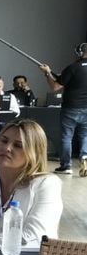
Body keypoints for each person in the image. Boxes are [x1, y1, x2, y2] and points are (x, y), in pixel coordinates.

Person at [39, 44, 87, 174]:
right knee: (85, 136)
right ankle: (84, 157)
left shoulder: (73, 68)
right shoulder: (73, 69)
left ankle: (66, 166)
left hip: (71, 108)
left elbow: (55, 87)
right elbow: (62, 79)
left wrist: (47, 73)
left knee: (67, 137)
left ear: (79, 53)